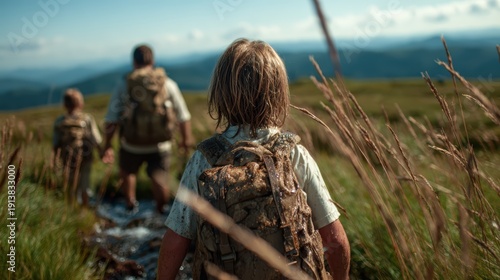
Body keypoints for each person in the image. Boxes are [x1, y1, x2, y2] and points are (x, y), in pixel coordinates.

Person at [157, 39, 350, 279]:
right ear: (278, 92)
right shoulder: (294, 154)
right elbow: (334, 239)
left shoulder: (204, 159)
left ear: (221, 92)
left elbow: (176, 239)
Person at [102, 44, 193, 213]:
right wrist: (185, 140)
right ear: (153, 61)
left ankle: (131, 208)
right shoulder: (167, 83)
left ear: (133, 62)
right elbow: (183, 115)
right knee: (160, 178)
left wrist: (106, 145)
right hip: (161, 145)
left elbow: (111, 119)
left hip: (131, 144)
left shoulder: (124, 84)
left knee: (128, 173)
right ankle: (161, 210)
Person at [53, 88, 103, 207]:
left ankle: (71, 208)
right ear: (80, 103)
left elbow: (55, 144)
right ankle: (85, 208)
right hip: (85, 157)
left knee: (70, 183)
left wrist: (55, 159)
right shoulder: (87, 119)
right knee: (85, 184)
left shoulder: (60, 121)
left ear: (65, 104)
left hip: (67, 158)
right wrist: (101, 152)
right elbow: (95, 138)